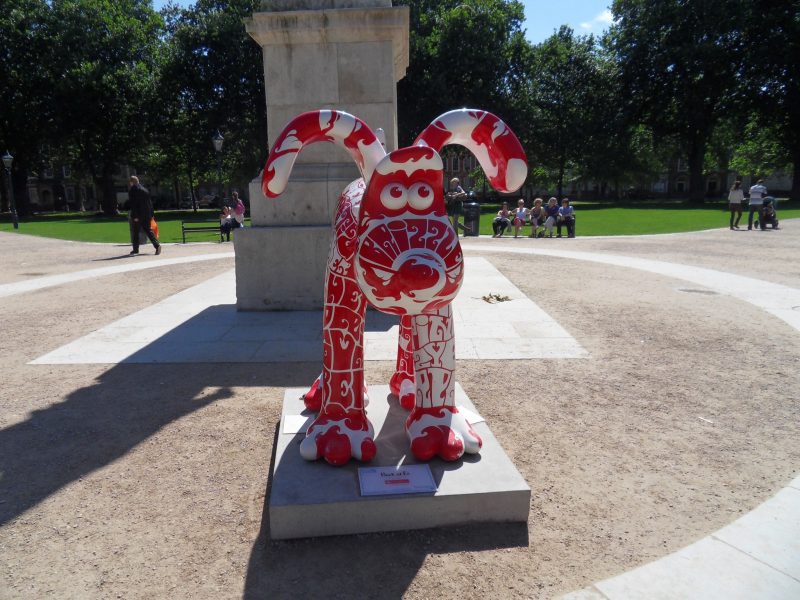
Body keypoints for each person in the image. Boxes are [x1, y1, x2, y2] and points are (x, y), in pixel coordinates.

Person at [127, 175, 161, 256]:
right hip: (147, 214)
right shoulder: (145, 189)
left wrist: (135, 216)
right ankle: (157, 245)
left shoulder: (133, 190)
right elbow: (149, 203)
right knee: (149, 231)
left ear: (131, 182)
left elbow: (134, 204)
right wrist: (151, 214)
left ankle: (135, 249)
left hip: (138, 215)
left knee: (135, 232)